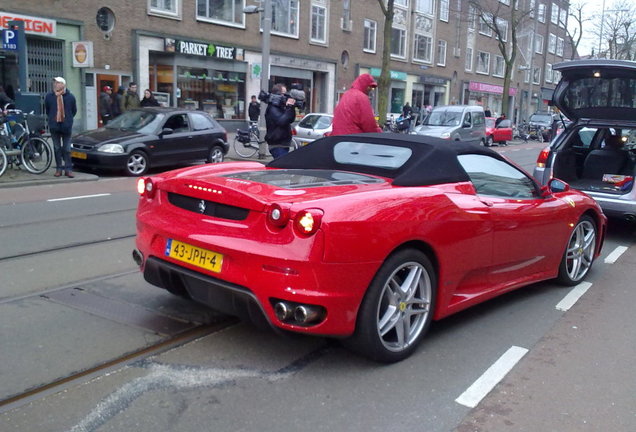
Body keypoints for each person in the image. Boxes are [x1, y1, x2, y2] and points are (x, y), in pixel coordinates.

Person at [44, 77, 77, 178]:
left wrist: (67, 120)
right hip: (55, 126)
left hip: (66, 126)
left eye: (58, 82)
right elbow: (48, 110)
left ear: (63, 84)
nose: (55, 84)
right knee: (57, 148)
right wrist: (53, 119)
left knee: (67, 149)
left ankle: (68, 169)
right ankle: (59, 168)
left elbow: (74, 110)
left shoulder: (70, 97)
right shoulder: (49, 96)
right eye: (55, 82)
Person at [264, 83, 296, 159]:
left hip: (283, 144)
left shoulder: (281, 107)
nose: (286, 96)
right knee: (282, 168)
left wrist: (291, 108)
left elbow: (290, 119)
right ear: (277, 94)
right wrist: (288, 108)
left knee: (282, 168)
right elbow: (281, 121)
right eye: (284, 94)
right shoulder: (272, 108)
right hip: (277, 145)